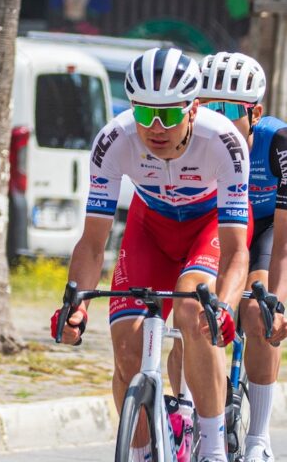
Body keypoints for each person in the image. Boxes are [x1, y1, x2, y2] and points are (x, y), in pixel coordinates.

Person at [52, 47, 251, 462]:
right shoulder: (113, 140)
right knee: (127, 348)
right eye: (144, 113)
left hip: (207, 226)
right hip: (150, 229)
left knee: (194, 309)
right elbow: (92, 243)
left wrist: (226, 306)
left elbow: (235, 250)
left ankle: (213, 449)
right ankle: (142, 453)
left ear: (193, 109)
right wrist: (75, 304)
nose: (155, 128)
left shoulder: (224, 141)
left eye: (168, 115)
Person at [198, 52, 286, 462]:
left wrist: (278, 303)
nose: (219, 118)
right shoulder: (193, 141)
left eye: (231, 109)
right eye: (209, 107)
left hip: (267, 228)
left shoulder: (277, 143)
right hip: (218, 228)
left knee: (257, 313)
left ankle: (258, 440)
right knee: (198, 310)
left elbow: (283, 242)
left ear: (256, 114)